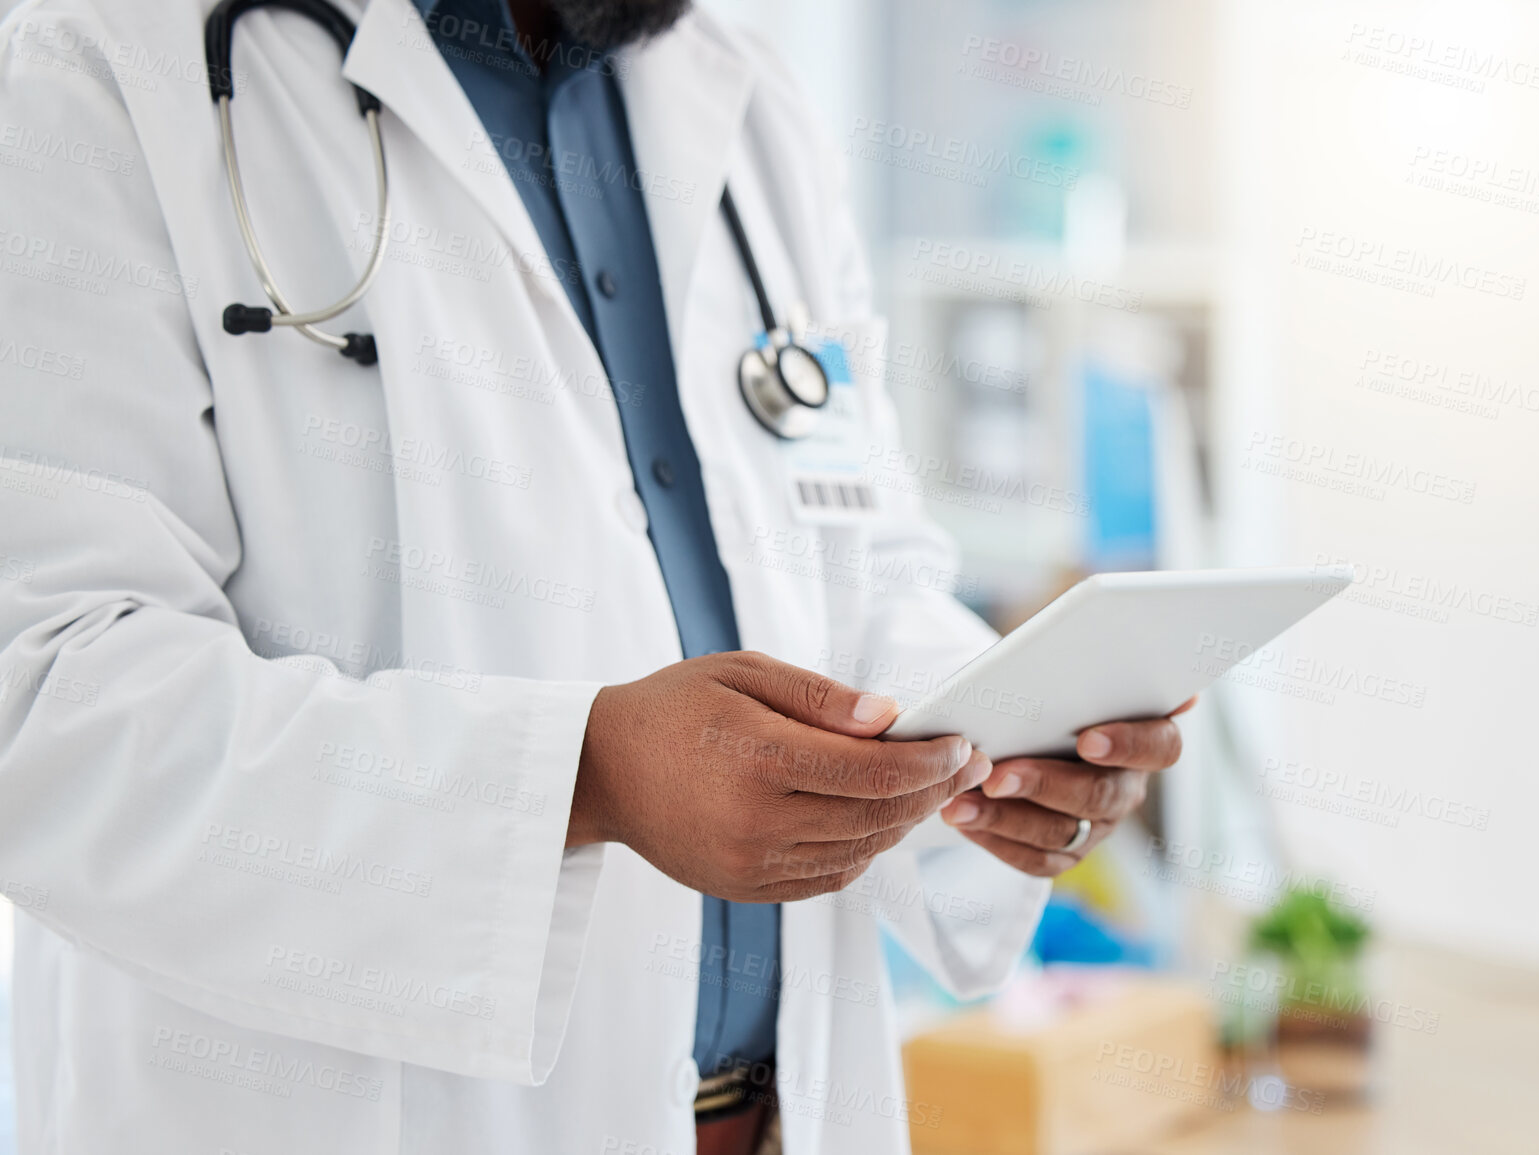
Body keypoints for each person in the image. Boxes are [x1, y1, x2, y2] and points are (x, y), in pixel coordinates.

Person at [0, 0, 1187, 1152]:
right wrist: (583, 776)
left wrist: (998, 741)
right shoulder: (93, 67)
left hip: (777, 1112)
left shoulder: (747, 101)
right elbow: (44, 698)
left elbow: (863, 561)